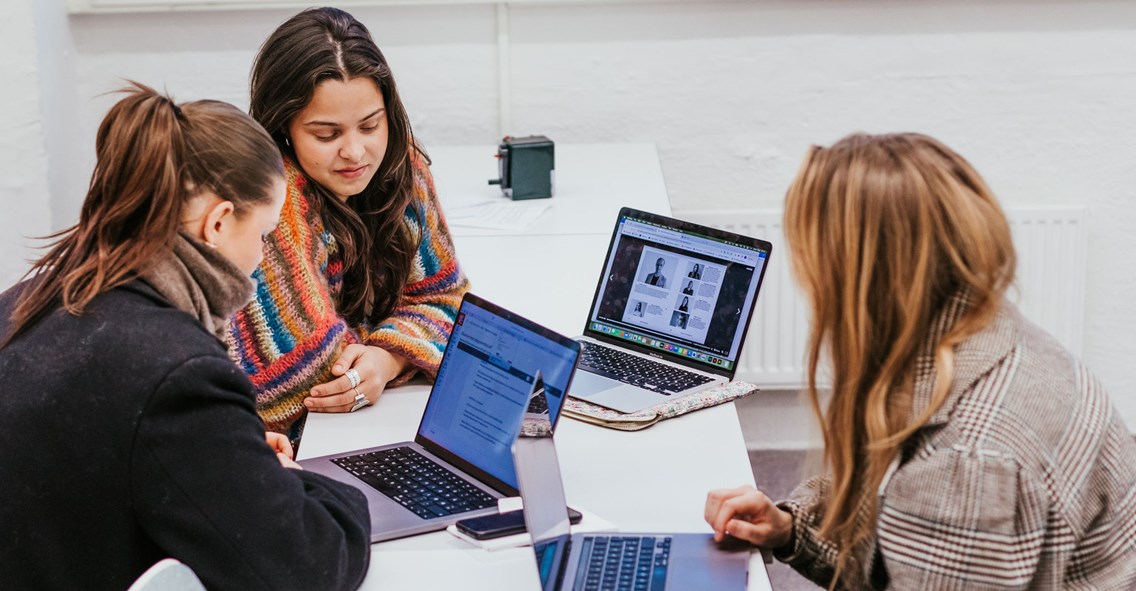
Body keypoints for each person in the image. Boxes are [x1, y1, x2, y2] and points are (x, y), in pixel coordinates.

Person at [705, 133, 1136, 589]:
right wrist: (791, 530)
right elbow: (888, 520)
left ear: (860, 278)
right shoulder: (989, 334)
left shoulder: (962, 465)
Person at [0, 84, 371, 590]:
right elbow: (308, 566)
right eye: (262, 234)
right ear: (218, 223)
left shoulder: (27, 300)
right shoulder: (177, 373)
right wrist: (287, 481)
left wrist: (220, 452)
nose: (262, 258)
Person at [230, 7, 470, 443]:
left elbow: (446, 298)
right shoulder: (271, 200)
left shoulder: (403, 168)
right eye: (326, 135)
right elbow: (311, 376)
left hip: (366, 426)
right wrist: (391, 350)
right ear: (283, 128)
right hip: (277, 445)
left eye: (370, 125)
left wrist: (386, 358)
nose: (356, 152)